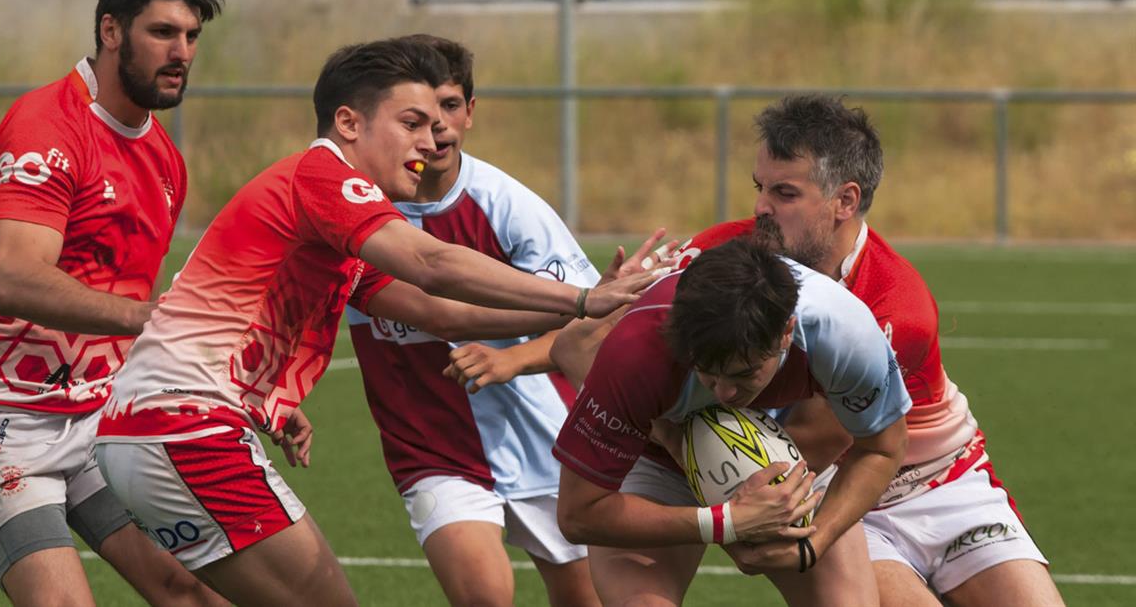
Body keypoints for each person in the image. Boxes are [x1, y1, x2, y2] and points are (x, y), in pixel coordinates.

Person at [92, 36, 654, 606]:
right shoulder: (323, 176)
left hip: (153, 430)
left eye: (435, 123)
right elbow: (433, 265)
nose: (427, 140)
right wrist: (581, 298)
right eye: (411, 122)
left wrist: (573, 304)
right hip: (184, 429)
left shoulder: (337, 225)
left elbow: (441, 314)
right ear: (348, 123)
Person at [671, 95, 1063, 606]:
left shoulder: (896, 305)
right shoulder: (716, 256)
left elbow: (815, 439)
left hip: (940, 481)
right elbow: (620, 345)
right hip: (844, 491)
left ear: (845, 201)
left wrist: (731, 499)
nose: (761, 207)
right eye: (760, 187)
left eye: (785, 192)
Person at [0, 0, 226, 606]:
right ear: (111, 31)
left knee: (190, 589)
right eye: (162, 33)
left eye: (192, 36)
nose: (181, 51)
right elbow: (14, 279)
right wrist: (151, 317)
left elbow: (124, 319)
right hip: (0, 413)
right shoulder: (49, 126)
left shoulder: (166, 161)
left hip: (100, 416)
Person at [344, 34, 603, 607]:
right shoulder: (355, 210)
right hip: (432, 448)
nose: (435, 128)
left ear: (471, 111)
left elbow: (586, 325)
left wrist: (511, 358)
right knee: (484, 596)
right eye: (418, 114)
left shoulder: (509, 206)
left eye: (450, 107)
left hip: (542, 439)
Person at [551, 237, 911, 606]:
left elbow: (883, 448)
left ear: (786, 332)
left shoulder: (843, 332)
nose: (724, 392)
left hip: (782, 451)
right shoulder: (639, 350)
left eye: (743, 374)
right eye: (706, 372)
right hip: (654, 455)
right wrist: (724, 523)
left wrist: (814, 545)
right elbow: (579, 514)